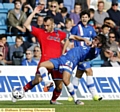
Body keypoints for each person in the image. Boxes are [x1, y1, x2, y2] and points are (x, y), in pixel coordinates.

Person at [29, 34, 108, 105]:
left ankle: (76, 99)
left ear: (99, 44)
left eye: (96, 39)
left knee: (65, 80)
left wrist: (93, 47)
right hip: (63, 58)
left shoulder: (96, 51)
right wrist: (84, 39)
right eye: (94, 38)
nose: (93, 39)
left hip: (71, 60)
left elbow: (93, 52)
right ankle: (47, 82)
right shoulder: (89, 45)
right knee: (42, 65)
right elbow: (72, 36)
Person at [20, 6, 67, 104]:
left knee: (59, 86)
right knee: (37, 80)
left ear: (53, 25)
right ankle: (21, 91)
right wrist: (34, 12)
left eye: (47, 25)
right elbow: (26, 24)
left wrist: (63, 51)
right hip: (45, 61)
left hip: (57, 63)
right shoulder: (40, 33)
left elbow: (68, 38)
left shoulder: (60, 34)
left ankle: (53, 100)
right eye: (44, 25)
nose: (45, 27)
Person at [62, 10, 102, 101]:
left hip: (87, 53)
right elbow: (69, 38)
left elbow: (95, 40)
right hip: (80, 54)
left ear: (89, 18)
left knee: (78, 74)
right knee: (89, 71)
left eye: (86, 17)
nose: (84, 19)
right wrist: (64, 50)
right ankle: (94, 94)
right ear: (80, 18)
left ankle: (71, 95)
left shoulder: (91, 29)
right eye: (83, 17)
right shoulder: (76, 28)